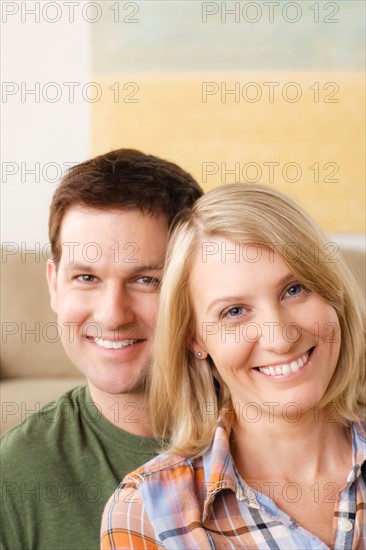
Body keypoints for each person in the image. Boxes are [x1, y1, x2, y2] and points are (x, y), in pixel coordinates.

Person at [101, 183, 365, 549]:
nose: (279, 338)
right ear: (195, 339)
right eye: (234, 312)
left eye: (295, 289)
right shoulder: (146, 513)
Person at [0, 148, 203, 550]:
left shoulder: (273, 429)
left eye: (147, 280)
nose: (113, 316)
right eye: (87, 277)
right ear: (55, 284)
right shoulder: (15, 474)